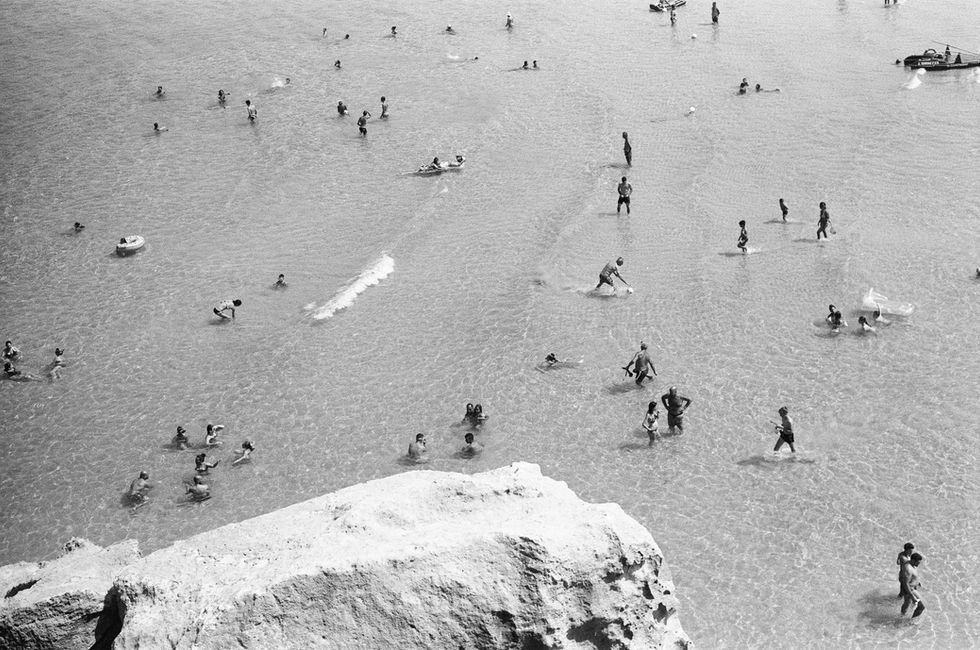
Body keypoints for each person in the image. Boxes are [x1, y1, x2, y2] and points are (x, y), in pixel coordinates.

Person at [901, 553, 925, 618]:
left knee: (907, 603)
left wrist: (917, 583)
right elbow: (906, 583)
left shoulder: (912, 565)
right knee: (921, 606)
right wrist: (912, 596)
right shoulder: (908, 569)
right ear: (913, 560)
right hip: (910, 589)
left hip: (912, 588)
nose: (918, 564)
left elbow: (913, 576)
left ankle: (902, 616)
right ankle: (912, 620)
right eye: (918, 563)